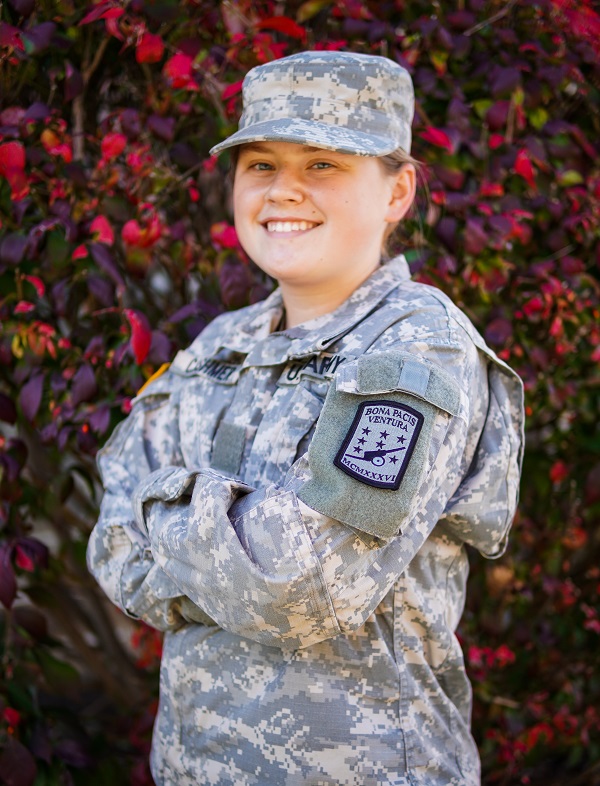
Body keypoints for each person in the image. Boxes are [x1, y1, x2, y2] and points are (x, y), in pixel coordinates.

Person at [87, 51, 524, 786]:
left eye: (323, 164)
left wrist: (168, 525)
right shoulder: (219, 346)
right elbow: (109, 542)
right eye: (261, 164)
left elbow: (300, 588)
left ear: (398, 192)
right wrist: (232, 546)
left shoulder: (419, 349)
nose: (283, 189)